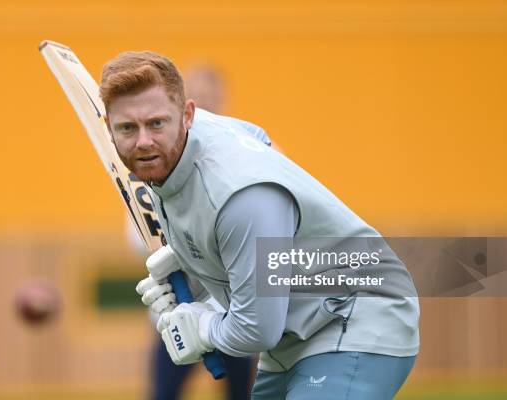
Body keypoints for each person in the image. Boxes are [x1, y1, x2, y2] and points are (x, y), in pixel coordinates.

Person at [100, 51, 419, 399]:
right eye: (128, 127)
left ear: (187, 115)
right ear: (109, 129)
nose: (144, 140)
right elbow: (258, 136)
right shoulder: (180, 148)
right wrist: (194, 275)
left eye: (157, 123)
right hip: (293, 335)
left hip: (355, 315)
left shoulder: (241, 196)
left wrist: (203, 328)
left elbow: (257, 329)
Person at [134, 63, 254, 400]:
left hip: (236, 310)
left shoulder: (249, 148)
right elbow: (139, 234)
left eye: (211, 96)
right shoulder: (153, 158)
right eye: (197, 95)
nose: (204, 104)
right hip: (176, 310)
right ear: (183, 103)